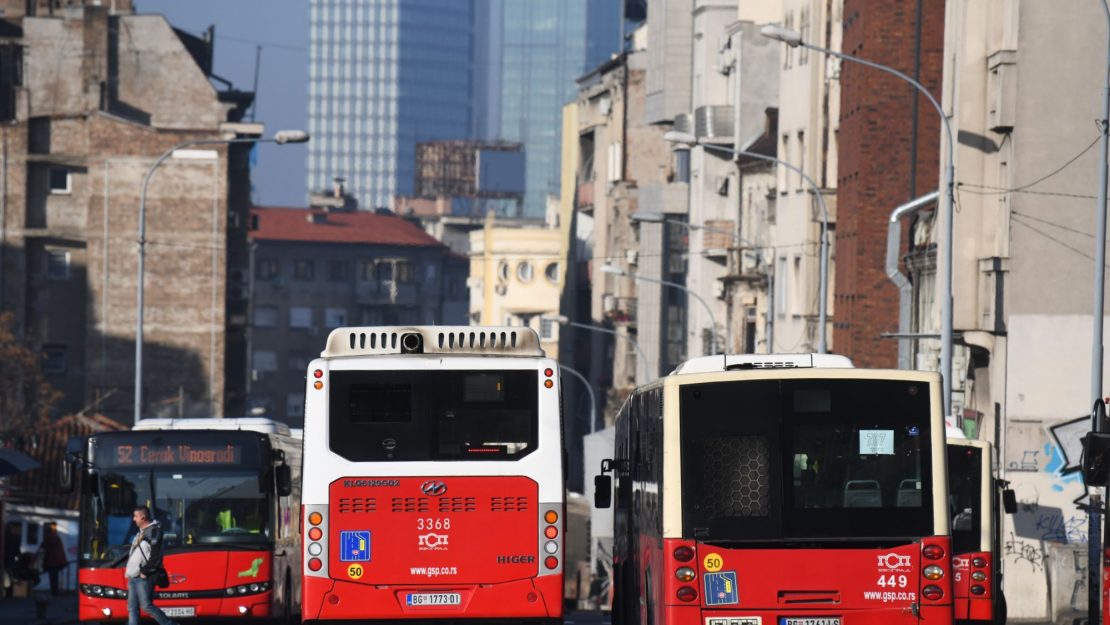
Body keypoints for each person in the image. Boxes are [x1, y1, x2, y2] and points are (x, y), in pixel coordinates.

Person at [125, 506, 177, 625]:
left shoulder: (154, 532)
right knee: (132, 608)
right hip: (133, 577)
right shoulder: (141, 533)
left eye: (135, 516)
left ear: (143, 517)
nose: (133, 519)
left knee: (147, 606)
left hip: (143, 577)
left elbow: (156, 556)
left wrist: (145, 571)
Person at [38, 523, 67, 596]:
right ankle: (55, 592)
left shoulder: (49, 537)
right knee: (55, 577)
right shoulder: (56, 537)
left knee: (53, 578)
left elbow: (43, 547)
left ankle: (54, 593)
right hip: (58, 561)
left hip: (52, 561)